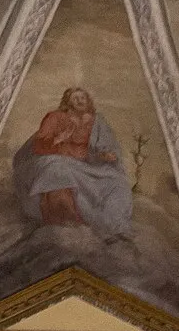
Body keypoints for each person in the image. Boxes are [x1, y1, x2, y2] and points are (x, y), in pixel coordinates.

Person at [12, 88, 133, 235]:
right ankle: (65, 223)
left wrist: (105, 155)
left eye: (83, 97)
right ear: (67, 102)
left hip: (87, 166)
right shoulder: (56, 117)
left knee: (117, 181)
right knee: (56, 169)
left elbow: (102, 150)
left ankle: (111, 227)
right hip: (59, 158)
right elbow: (39, 146)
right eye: (76, 98)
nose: (80, 100)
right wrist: (59, 139)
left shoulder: (97, 121)